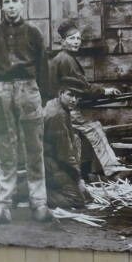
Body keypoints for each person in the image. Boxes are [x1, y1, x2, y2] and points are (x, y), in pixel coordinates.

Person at [0, 0, 50, 223]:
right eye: (7, 2)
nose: (11, 6)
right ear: (1, 5)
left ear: (22, 3)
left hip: (28, 91)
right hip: (1, 93)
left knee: (34, 148)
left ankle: (39, 203)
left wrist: (43, 99)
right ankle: (5, 205)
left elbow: (43, 68)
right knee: (6, 149)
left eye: (15, 1)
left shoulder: (34, 33)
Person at [49, 19, 132, 178]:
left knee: (77, 138)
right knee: (94, 129)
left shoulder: (62, 58)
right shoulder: (66, 60)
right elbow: (82, 88)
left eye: (78, 38)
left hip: (58, 108)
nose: (76, 42)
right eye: (72, 38)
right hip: (65, 108)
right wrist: (105, 91)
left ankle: (80, 175)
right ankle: (113, 170)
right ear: (63, 42)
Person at [43, 77, 93, 210]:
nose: (74, 100)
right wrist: (78, 179)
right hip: (50, 164)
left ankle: (40, 188)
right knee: (77, 200)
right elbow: (65, 154)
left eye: (77, 97)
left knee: (88, 197)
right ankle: (35, 195)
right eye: (70, 95)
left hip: (53, 161)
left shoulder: (56, 105)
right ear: (60, 93)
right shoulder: (57, 115)